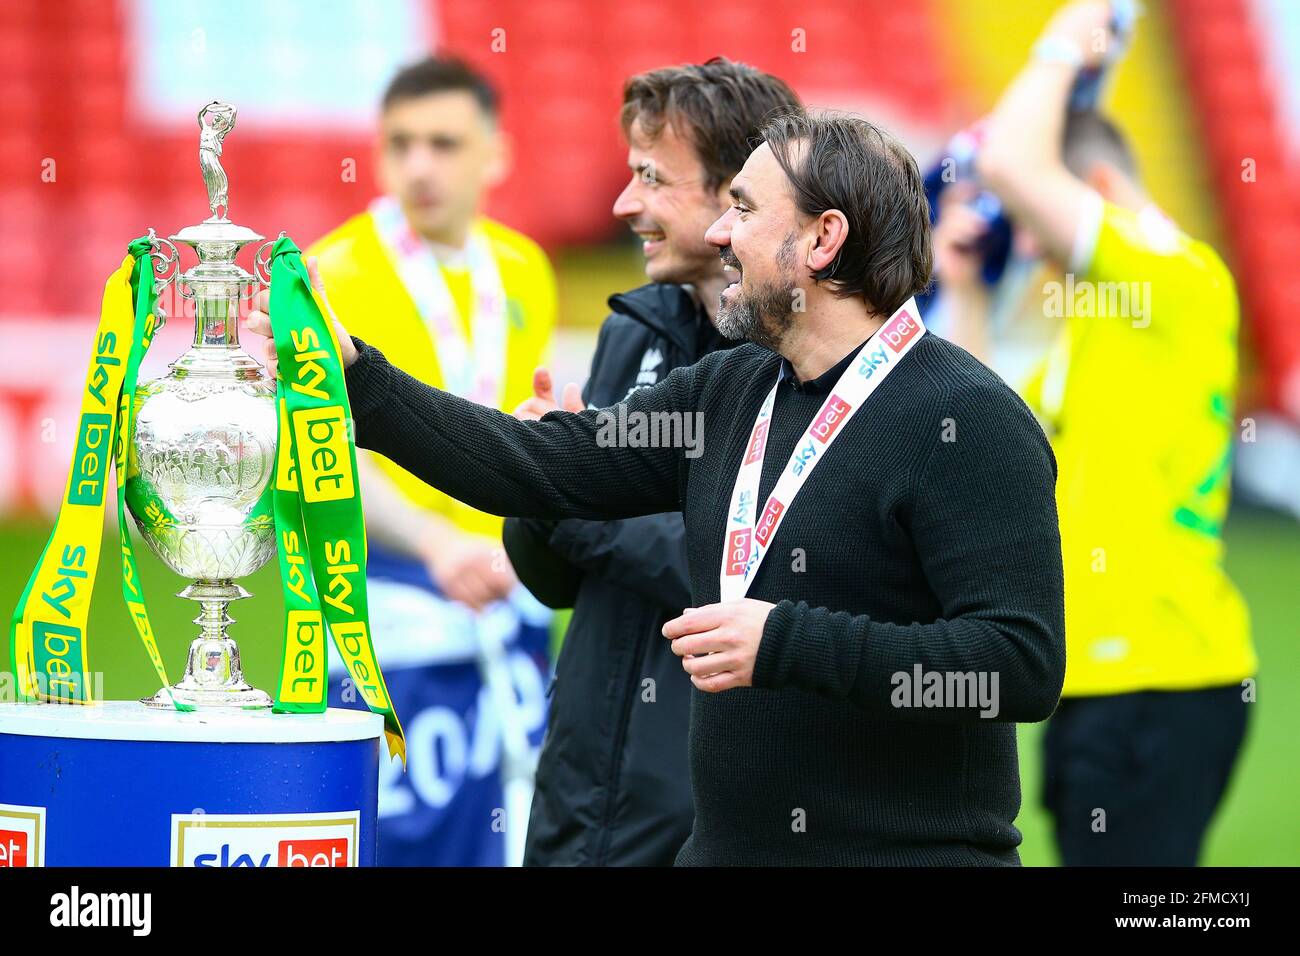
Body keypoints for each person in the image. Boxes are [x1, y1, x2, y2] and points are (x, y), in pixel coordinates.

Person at [250, 110, 1066, 866]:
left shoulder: (967, 419)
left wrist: (788, 641)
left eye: (744, 210)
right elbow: (535, 463)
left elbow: (1018, 666)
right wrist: (354, 378)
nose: (718, 232)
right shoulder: (729, 389)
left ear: (823, 240)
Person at [937, 0, 1256, 865]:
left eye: (1044, 238)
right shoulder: (1104, 324)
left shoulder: (1172, 278)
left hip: (1160, 674)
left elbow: (1010, 159)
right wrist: (962, 289)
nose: (1039, 259)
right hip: (1105, 679)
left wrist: (1068, 37)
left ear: (1102, 194)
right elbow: (984, 422)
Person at [502, 59, 803, 867]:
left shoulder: (803, 359)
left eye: (651, 178)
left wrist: (569, 493)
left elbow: (742, 573)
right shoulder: (630, 330)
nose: (623, 204)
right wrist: (538, 484)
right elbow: (556, 579)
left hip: (711, 816)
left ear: (735, 195)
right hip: (579, 788)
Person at [305, 55, 558, 866]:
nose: (420, 165)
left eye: (445, 144)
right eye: (401, 143)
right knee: (394, 841)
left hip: (504, 605)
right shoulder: (329, 275)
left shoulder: (524, 268)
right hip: (387, 614)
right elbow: (323, 455)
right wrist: (436, 542)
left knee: (514, 834)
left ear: (496, 155)